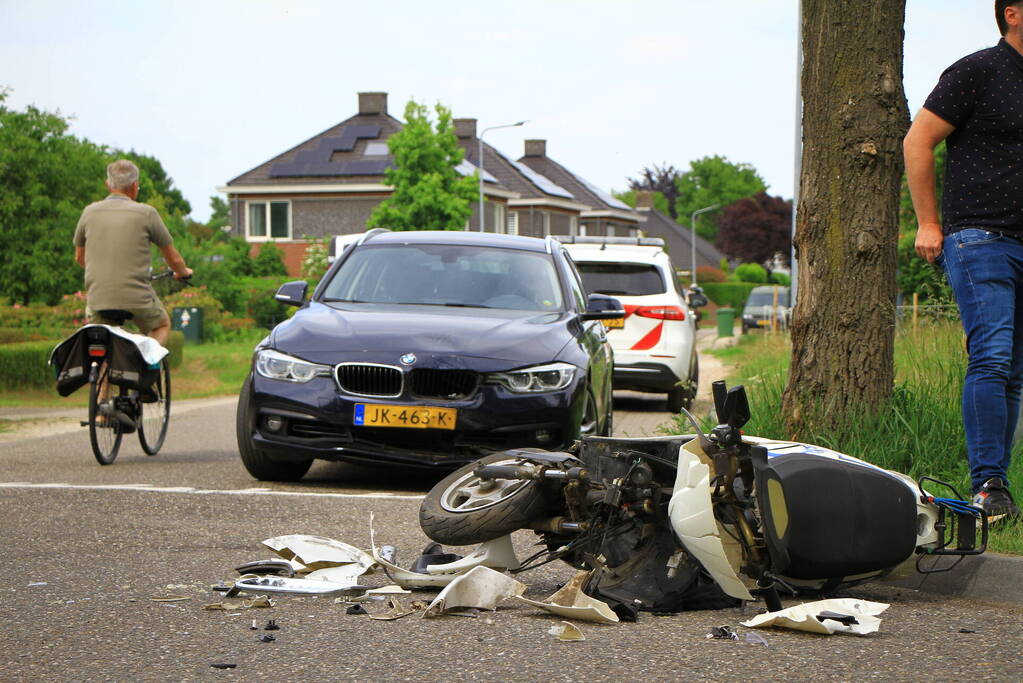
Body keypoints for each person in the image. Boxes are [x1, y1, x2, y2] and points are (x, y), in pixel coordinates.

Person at [904, 0, 1023, 521]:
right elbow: (918, 141)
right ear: (1012, 13)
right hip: (980, 237)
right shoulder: (976, 71)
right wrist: (929, 222)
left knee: (1015, 371)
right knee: (993, 357)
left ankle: (999, 489)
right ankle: (987, 484)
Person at [73, 159, 192, 347]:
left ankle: (100, 374)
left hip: (99, 298)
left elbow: (80, 257)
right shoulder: (146, 213)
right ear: (135, 186)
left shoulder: (89, 212)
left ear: (108, 185)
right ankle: (145, 361)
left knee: (101, 341)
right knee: (161, 325)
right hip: (138, 299)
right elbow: (173, 258)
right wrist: (183, 272)